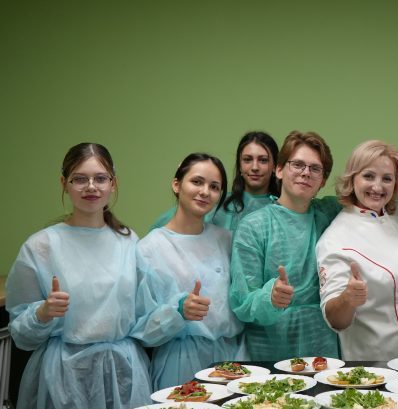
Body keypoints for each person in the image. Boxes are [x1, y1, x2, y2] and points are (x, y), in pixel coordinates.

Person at [6, 143, 151, 409]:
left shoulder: (128, 242)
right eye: (79, 179)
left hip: (123, 377)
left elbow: (146, 315)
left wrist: (178, 311)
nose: (91, 188)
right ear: (64, 184)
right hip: (62, 381)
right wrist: (43, 313)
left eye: (100, 178)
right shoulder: (41, 246)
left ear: (113, 184)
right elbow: (20, 334)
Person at [315, 140, 398, 360]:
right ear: (352, 179)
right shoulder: (335, 240)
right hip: (376, 365)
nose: (378, 187)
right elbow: (335, 319)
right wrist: (348, 299)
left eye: (387, 178)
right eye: (368, 176)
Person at [134, 153, 245, 391]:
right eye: (197, 182)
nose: (205, 191)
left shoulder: (225, 240)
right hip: (179, 362)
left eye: (214, 187)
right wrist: (178, 311)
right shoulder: (150, 248)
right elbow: (140, 326)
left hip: (230, 359)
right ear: (177, 184)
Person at [229, 131, 340, 360]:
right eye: (297, 164)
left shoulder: (329, 214)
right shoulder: (254, 226)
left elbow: (375, 195)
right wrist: (270, 298)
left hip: (321, 347)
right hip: (269, 349)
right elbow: (243, 300)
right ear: (278, 170)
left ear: (323, 181)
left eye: (315, 168)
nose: (305, 173)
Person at [149, 131, 279, 232]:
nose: (254, 167)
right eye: (247, 159)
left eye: (263, 160)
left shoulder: (281, 210)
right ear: (239, 165)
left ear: (275, 167)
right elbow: (164, 229)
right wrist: (185, 180)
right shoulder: (217, 203)